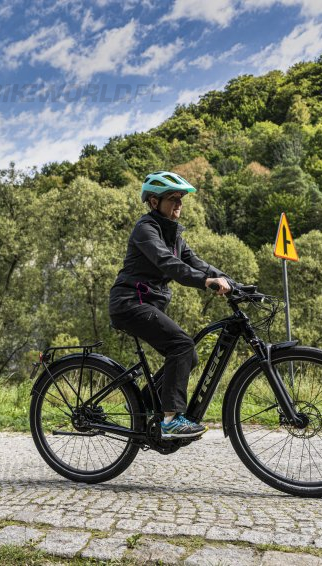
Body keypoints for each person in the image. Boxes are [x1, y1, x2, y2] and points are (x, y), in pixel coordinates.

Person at [109, 172, 233, 438]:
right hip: (130, 303)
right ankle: (170, 420)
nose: (179, 204)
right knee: (181, 345)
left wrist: (235, 284)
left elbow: (197, 263)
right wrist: (207, 282)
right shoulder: (146, 229)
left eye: (181, 199)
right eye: (173, 198)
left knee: (189, 355)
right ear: (154, 202)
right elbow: (169, 264)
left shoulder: (173, 235)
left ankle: (143, 405)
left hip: (145, 304)